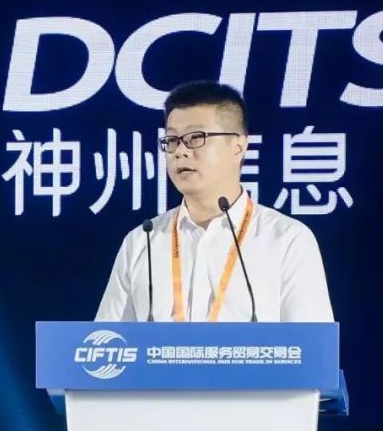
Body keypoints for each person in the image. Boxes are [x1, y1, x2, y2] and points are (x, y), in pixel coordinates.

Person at [95, 80, 334, 322]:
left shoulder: (287, 239)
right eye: (172, 140)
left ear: (238, 147)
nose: (180, 151)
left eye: (195, 137)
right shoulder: (141, 241)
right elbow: (106, 339)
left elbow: (311, 342)